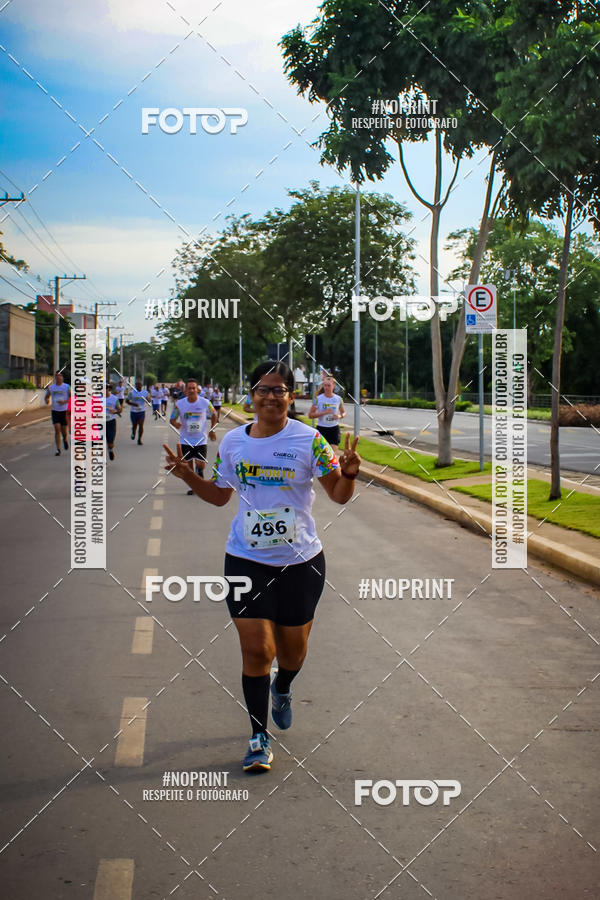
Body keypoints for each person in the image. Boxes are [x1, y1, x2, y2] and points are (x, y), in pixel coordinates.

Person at [163, 361, 360, 772]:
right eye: (262, 390)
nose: (270, 396)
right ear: (251, 396)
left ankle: (283, 687)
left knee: (292, 654)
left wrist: (351, 476)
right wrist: (187, 476)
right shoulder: (233, 443)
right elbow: (219, 497)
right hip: (245, 559)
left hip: (301, 563)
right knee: (257, 650)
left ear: (291, 396)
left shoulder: (311, 442)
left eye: (279, 390)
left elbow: (338, 495)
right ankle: (258, 736)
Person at [170, 378, 217, 494]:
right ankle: (193, 487)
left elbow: (214, 414)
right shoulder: (180, 404)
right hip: (186, 440)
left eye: (193, 388)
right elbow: (172, 418)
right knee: (189, 465)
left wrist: (212, 430)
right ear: (185, 390)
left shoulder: (205, 402)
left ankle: (199, 474)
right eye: (189, 388)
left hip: (201, 439)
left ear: (197, 390)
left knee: (200, 464)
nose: (191, 390)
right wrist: (175, 423)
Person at [308, 376, 345, 452]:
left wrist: (339, 416)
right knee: (322, 454)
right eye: (325, 385)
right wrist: (324, 412)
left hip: (334, 428)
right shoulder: (318, 399)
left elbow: (343, 412)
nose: (327, 388)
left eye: (329, 385)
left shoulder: (338, 399)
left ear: (333, 386)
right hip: (322, 428)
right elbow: (310, 415)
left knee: (333, 453)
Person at [45, 371, 71, 456]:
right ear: (55, 377)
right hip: (55, 411)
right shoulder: (51, 387)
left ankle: (65, 439)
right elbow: (47, 396)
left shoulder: (67, 387)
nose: (59, 377)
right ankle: (58, 449)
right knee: (57, 429)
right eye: (57, 376)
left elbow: (72, 397)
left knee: (64, 431)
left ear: (62, 377)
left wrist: (64, 402)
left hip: (64, 411)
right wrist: (47, 400)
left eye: (60, 376)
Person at [126, 380, 148, 445]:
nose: (138, 387)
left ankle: (139, 439)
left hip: (141, 411)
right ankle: (133, 432)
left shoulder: (145, 392)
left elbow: (148, 399)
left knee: (141, 425)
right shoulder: (131, 393)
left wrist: (148, 399)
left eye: (140, 385)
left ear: (141, 386)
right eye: (137, 385)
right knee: (134, 425)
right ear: (135, 386)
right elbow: (127, 401)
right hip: (133, 411)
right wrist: (133, 404)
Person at [105, 383, 123, 461]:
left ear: (108, 389)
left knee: (110, 443)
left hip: (110, 422)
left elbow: (120, 409)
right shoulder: (96, 398)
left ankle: (110, 450)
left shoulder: (114, 398)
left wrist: (114, 411)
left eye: (105, 388)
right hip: (99, 422)